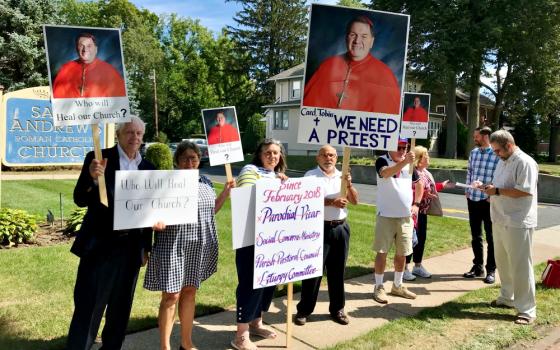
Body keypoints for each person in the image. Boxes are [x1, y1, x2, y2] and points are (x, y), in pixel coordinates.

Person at [67, 116, 154, 350]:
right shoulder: (98, 159)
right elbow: (79, 199)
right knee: (89, 307)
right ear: (118, 134)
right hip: (99, 248)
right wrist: (92, 179)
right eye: (129, 132)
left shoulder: (148, 168)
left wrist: (146, 246)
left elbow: (149, 210)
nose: (134, 137)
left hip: (131, 249)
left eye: (138, 133)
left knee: (120, 309)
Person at [144, 141, 234, 350]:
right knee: (171, 296)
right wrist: (154, 222)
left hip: (197, 243)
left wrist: (225, 193)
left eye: (194, 158)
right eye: (185, 158)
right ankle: (165, 346)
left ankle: (186, 342)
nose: (189, 162)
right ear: (177, 161)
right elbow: (151, 211)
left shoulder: (206, 182)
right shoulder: (167, 182)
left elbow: (210, 211)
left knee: (190, 291)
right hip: (172, 243)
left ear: (199, 160)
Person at [232, 139, 288, 350]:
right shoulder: (250, 169)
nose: (273, 156)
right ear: (259, 154)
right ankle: (241, 335)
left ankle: (256, 323)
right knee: (250, 284)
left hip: (272, 240)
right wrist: (277, 185)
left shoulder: (276, 176)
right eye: (268, 152)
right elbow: (247, 193)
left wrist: (284, 184)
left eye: (276, 153)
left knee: (267, 283)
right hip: (250, 239)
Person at [295, 145, 358, 326]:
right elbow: (305, 199)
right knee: (313, 272)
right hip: (317, 228)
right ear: (318, 158)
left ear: (336, 158)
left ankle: (337, 309)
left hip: (340, 228)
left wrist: (350, 185)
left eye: (331, 155)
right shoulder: (310, 176)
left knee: (337, 272)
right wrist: (332, 202)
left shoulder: (343, 176)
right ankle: (304, 310)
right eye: (324, 155)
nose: (327, 158)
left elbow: (355, 201)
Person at [481, 130, 538, 325]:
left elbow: (525, 191)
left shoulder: (525, 162)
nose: (495, 154)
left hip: (518, 221)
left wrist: (496, 190)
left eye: (497, 151)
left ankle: (527, 310)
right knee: (503, 262)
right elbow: (500, 186)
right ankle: (507, 297)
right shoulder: (502, 161)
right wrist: (489, 188)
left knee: (521, 266)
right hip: (499, 218)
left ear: (509, 146)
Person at [303, 15, 401, 114]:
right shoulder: (328, 65)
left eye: (364, 36)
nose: (357, 41)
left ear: (371, 42)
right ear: (346, 38)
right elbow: (308, 112)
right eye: (353, 35)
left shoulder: (385, 74)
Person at [372, 138, 419, 304]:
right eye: (399, 147)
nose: (402, 150)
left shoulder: (409, 164)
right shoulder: (382, 160)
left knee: (402, 253)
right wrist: (405, 162)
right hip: (386, 215)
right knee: (382, 252)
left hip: (405, 217)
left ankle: (398, 285)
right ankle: (378, 286)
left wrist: (416, 204)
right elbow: (385, 173)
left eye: (405, 147)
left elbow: (418, 184)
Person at [403, 146, 452, 281]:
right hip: (412, 212)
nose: (428, 158)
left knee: (421, 239)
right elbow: (409, 191)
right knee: (410, 240)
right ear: (419, 159)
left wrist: (442, 185)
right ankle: (404, 268)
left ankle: (417, 266)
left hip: (423, 212)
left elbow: (430, 187)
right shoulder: (411, 172)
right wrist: (424, 194)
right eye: (426, 156)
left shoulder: (425, 172)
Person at [463, 126, 500, 284]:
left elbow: (499, 176)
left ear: (485, 136)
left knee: (491, 237)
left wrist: (492, 195)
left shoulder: (497, 154)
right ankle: (478, 267)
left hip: (488, 200)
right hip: (473, 198)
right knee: (476, 236)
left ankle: (491, 270)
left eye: (476, 136)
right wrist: (467, 190)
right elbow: (469, 172)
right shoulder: (474, 153)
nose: (474, 139)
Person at [53, 32, 126, 98]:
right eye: (81, 45)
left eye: (89, 46)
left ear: (96, 49)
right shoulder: (66, 68)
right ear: (76, 48)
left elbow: (118, 101)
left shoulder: (110, 71)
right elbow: (57, 98)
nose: (85, 49)